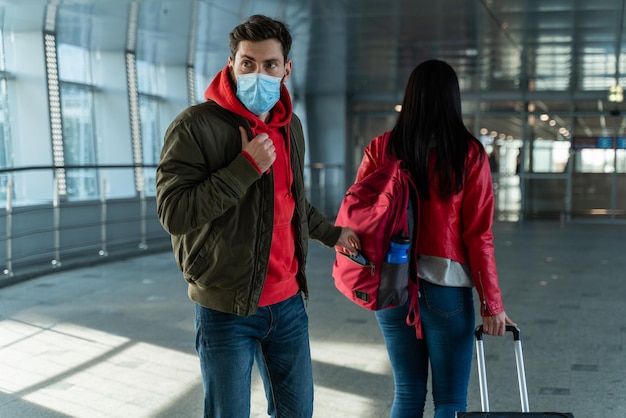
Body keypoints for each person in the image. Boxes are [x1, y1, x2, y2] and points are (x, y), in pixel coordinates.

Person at [155, 14, 360, 418]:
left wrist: (331, 234)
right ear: (231, 63)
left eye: (269, 65)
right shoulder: (196, 126)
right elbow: (174, 213)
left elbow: (291, 200)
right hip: (226, 307)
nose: (258, 73)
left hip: (288, 306)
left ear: (286, 69)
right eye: (247, 62)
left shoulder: (291, 128)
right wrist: (244, 168)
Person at [353, 59, 515, 418]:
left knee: (408, 394)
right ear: (452, 100)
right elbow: (478, 235)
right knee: (451, 401)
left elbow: (357, 217)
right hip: (446, 287)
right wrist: (492, 304)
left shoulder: (382, 148)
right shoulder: (468, 153)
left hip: (392, 285)